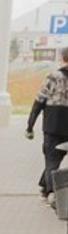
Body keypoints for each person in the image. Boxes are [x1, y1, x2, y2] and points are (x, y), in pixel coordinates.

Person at [26, 45, 68, 204]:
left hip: (53, 125)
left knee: (52, 160)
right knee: (54, 160)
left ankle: (53, 195)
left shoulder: (53, 76)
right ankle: (44, 189)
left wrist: (30, 125)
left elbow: (39, 101)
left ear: (62, 58)